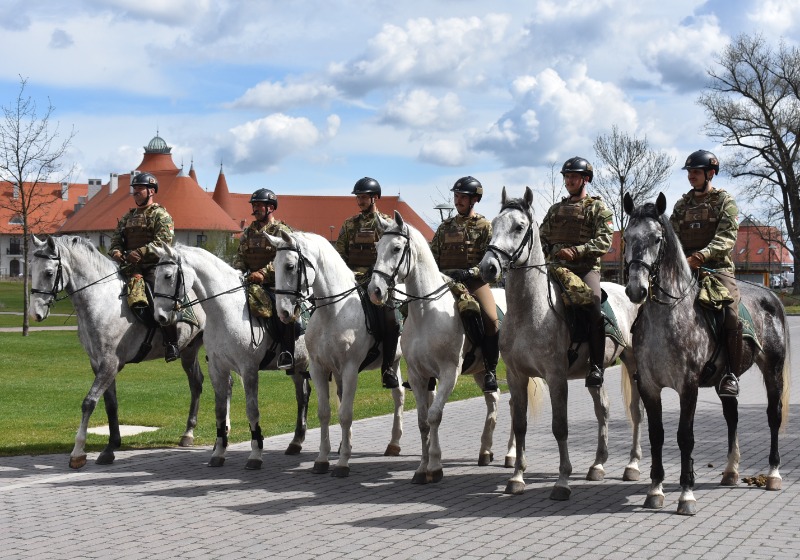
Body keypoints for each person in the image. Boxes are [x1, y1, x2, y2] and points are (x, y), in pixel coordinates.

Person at [669, 149, 741, 398]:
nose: (691, 176)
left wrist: (701, 256)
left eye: (696, 172)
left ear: (710, 173)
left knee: (731, 314)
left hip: (716, 268)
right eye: (689, 172)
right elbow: (672, 238)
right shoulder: (681, 205)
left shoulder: (724, 202)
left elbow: (727, 237)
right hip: (685, 269)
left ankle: (730, 373)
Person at [540, 157, 613, 387]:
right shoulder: (555, 210)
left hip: (583, 269)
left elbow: (604, 241)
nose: (569, 181)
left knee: (592, 305)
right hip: (554, 268)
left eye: (573, 177)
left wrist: (578, 251)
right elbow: (541, 238)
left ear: (585, 180)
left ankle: (596, 366)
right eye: (566, 177)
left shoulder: (597, 208)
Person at [430, 176, 499, 393]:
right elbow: (433, 257)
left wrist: (472, 272)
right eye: (456, 196)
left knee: (490, 319)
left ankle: (489, 370)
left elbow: (492, 262)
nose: (458, 200)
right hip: (445, 282)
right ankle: (426, 369)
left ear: (474, 200)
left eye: (463, 197)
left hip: (474, 282)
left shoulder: (485, 226)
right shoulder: (444, 227)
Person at [335, 177, 400, 389]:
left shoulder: (387, 224)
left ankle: (388, 368)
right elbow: (340, 256)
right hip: (350, 280)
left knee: (390, 320)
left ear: (374, 198)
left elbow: (390, 257)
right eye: (358, 197)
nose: (360, 201)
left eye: (363, 197)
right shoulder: (349, 224)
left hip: (376, 281)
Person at [108, 171, 179, 362]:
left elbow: (164, 241)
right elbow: (116, 240)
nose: (136, 192)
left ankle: (171, 342)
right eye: (135, 189)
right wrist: (116, 252)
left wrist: (140, 252)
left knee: (161, 299)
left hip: (152, 267)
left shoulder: (161, 215)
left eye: (140, 189)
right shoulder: (127, 217)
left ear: (151, 191)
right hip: (128, 267)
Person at [233, 188, 296, 373]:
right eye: (254, 205)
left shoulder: (281, 231)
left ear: (271, 207)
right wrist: (237, 270)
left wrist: (263, 273)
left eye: (259, 204)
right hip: (248, 282)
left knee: (285, 311)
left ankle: (287, 352)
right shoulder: (249, 232)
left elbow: (285, 259)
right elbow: (240, 257)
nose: (255, 208)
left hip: (275, 284)